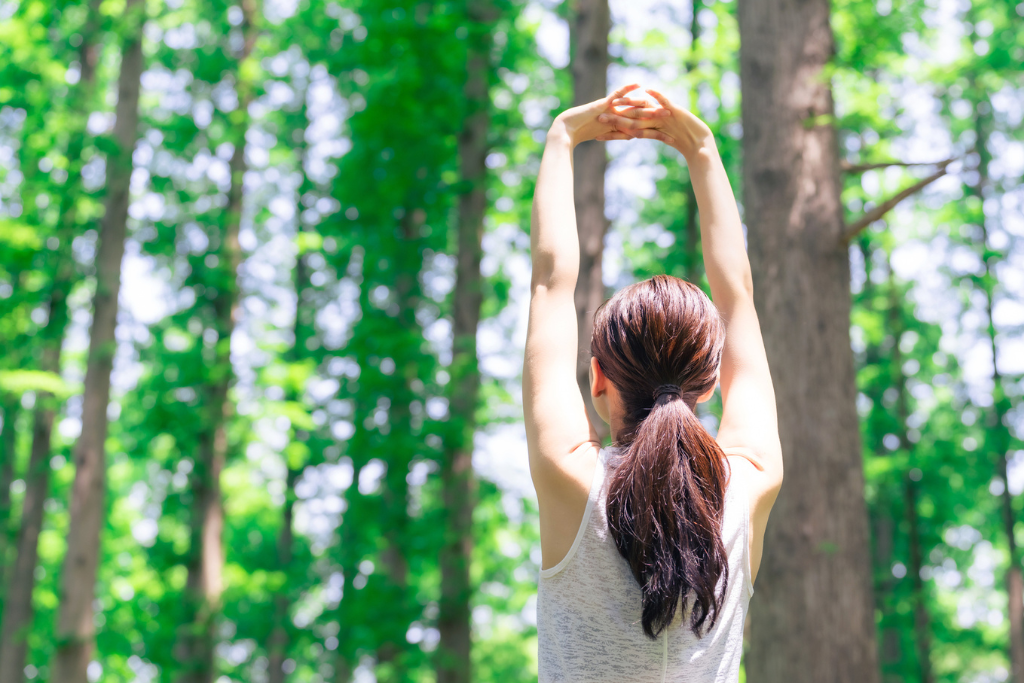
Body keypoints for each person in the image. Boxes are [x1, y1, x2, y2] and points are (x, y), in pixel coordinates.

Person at [522, 84, 783, 682]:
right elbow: (738, 298)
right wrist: (702, 149)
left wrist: (563, 136)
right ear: (710, 383)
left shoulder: (571, 479)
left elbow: (549, 283)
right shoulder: (750, 484)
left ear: (597, 379)